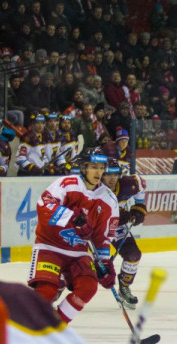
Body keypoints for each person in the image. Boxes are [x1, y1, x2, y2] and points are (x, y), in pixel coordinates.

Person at [28, 148, 119, 324]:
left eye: (101, 168)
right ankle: (27, 327)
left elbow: (102, 238)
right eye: (94, 167)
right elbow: (44, 205)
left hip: (78, 252)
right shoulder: (67, 183)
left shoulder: (109, 199)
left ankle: (55, 326)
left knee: (88, 287)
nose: (98, 172)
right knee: (47, 291)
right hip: (50, 246)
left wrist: (105, 264)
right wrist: (72, 218)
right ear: (84, 168)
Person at [103, 134, 148, 309]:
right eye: (108, 175)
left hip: (117, 227)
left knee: (133, 255)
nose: (112, 179)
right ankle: (55, 291)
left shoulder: (129, 184)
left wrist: (138, 209)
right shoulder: (95, 189)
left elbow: (141, 187)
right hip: (95, 229)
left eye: (115, 175)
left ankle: (125, 286)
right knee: (82, 264)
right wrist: (123, 216)